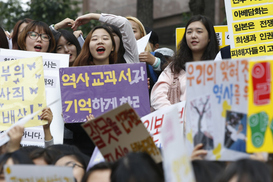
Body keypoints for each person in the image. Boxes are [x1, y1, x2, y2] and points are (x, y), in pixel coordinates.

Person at [151, 15, 219, 110]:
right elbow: (157, 95)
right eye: (189, 32)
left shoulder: (219, 66)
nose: (193, 36)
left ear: (209, 37)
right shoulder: (175, 67)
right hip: (178, 122)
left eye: (199, 31)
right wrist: (175, 115)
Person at [72, 13, 139, 64]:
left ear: (113, 46)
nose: (100, 41)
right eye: (95, 39)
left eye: (105, 38)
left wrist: (92, 16)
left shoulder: (129, 63)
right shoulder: (80, 73)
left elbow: (124, 23)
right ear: (88, 46)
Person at [126, 16, 167, 93]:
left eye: (133, 31)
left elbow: (172, 75)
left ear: (141, 35)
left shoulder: (155, 56)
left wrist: (155, 62)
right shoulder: (114, 59)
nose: (129, 35)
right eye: (124, 31)